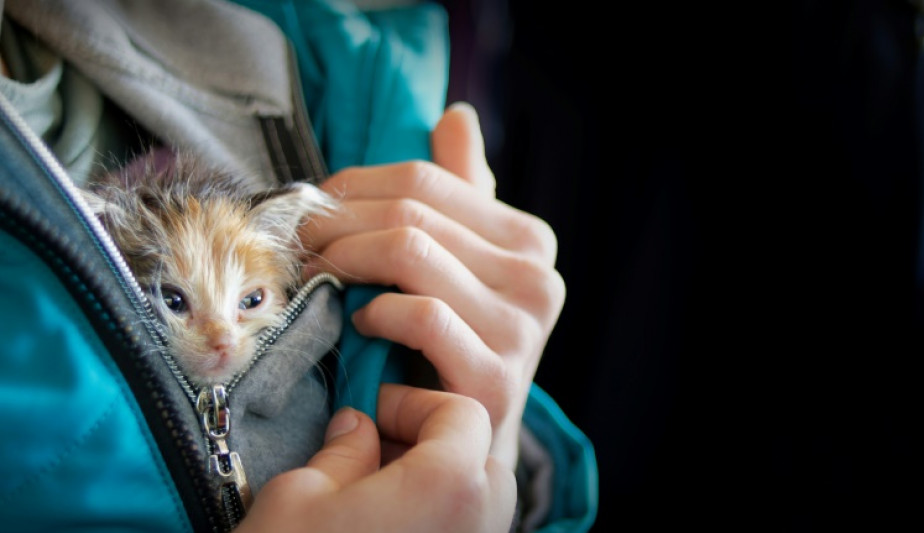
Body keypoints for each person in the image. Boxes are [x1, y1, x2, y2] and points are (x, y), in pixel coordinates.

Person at [0, 0, 596, 531]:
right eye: (175, 302)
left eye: (251, 301)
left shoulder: (313, 61)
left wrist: (499, 452)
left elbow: (479, 491)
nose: (222, 340)